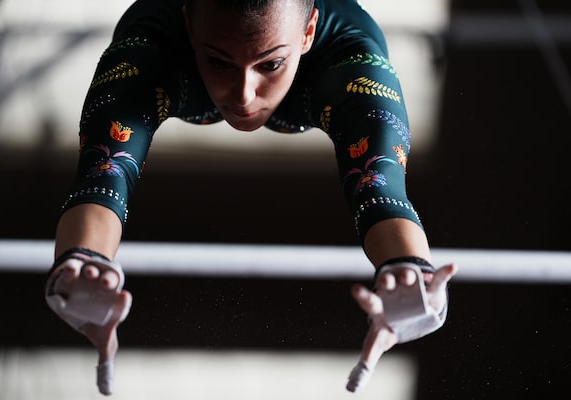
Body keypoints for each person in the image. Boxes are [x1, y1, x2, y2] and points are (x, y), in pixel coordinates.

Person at [45, 0, 457, 395]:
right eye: (219, 62)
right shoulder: (147, 51)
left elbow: (380, 191)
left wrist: (409, 271)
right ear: (189, 27)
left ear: (309, 31)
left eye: (271, 64)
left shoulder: (354, 64)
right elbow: (101, 180)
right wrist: (84, 262)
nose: (244, 95)